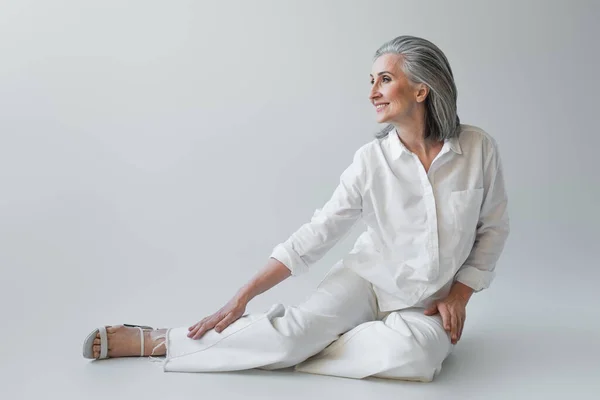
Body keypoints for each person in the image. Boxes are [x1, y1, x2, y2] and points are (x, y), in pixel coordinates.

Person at [82, 35, 510, 382]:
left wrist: (460, 293)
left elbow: (492, 230)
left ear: (421, 88)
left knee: (418, 360)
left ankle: (284, 347)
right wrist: (243, 296)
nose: (372, 92)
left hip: (426, 303)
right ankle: (161, 339)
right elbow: (318, 232)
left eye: (383, 80)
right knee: (299, 337)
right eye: (371, 81)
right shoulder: (370, 161)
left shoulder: (478, 148)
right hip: (365, 281)